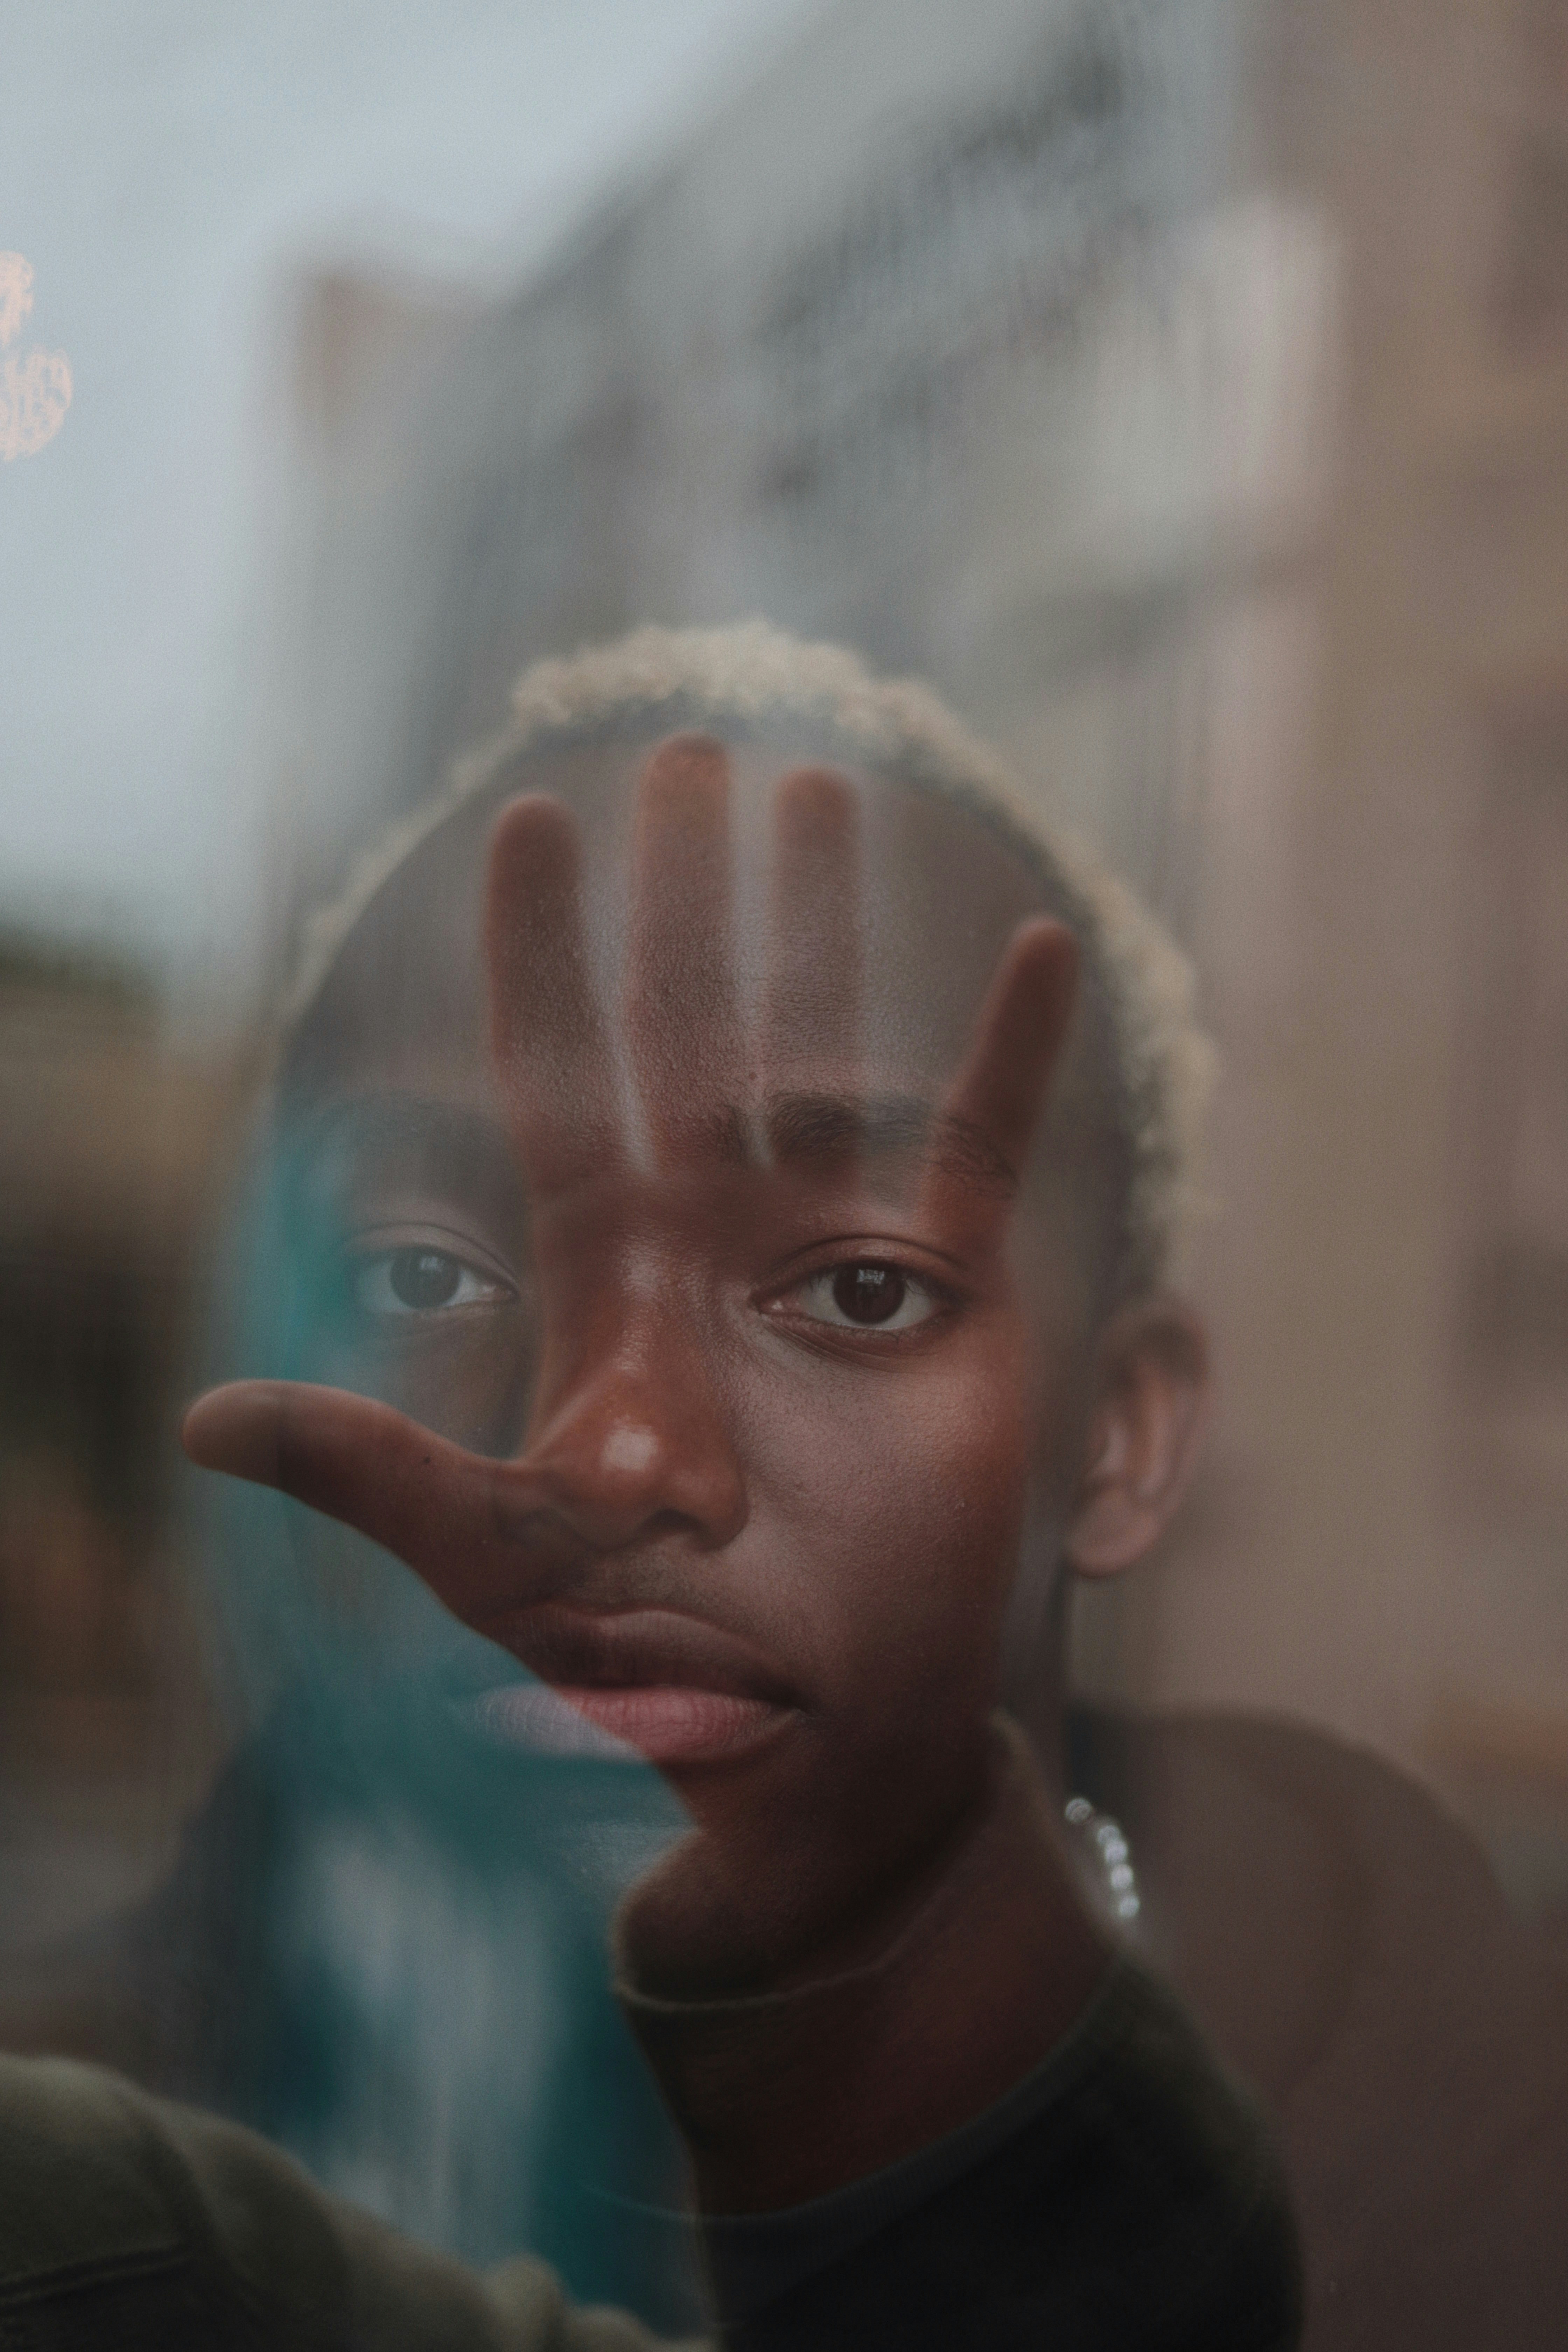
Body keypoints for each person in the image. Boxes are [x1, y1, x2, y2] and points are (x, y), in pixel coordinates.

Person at [0, 624, 1301, 2347]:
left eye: (854, 1289)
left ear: (1121, 1435)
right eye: (426, 1274)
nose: (613, 1450)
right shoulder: (215, 1956)